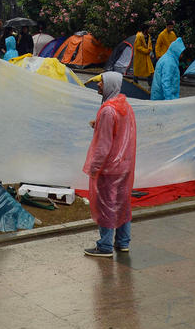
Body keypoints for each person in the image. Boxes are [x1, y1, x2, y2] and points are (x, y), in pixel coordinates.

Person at [83, 72, 136, 258]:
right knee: (122, 203)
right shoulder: (124, 105)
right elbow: (120, 131)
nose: (98, 85)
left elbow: (103, 146)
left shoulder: (107, 110)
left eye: (101, 82)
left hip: (109, 168)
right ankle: (123, 243)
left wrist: (94, 167)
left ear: (111, 85)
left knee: (106, 204)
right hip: (124, 166)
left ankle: (104, 246)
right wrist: (98, 125)